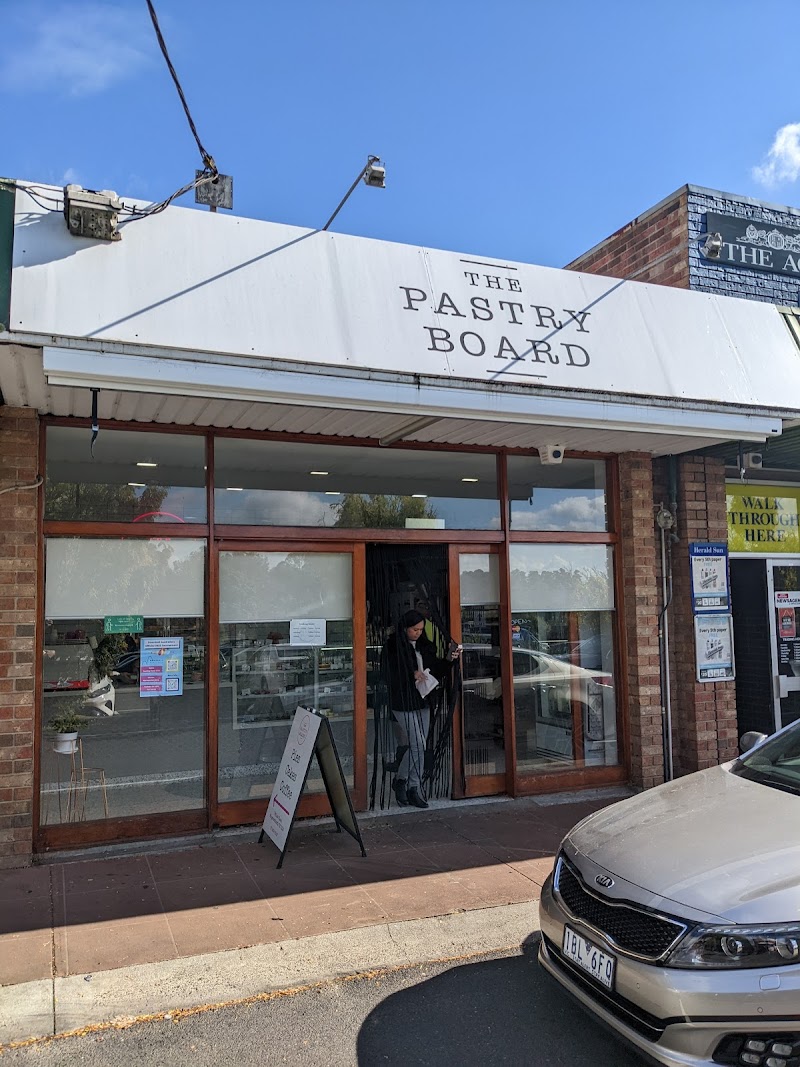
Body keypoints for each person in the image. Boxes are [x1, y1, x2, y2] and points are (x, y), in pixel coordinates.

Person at [381, 609, 460, 809]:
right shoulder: (392, 647)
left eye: (420, 630)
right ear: (404, 628)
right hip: (402, 701)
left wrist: (449, 659)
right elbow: (386, 674)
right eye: (414, 629)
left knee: (420, 745)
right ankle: (409, 785)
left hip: (424, 699)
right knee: (417, 744)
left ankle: (405, 783)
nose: (417, 633)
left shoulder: (426, 645)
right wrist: (411, 674)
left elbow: (435, 671)